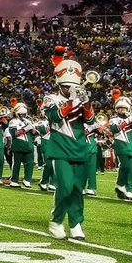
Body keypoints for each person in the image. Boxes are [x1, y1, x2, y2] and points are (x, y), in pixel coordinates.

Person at [42, 46, 94, 240]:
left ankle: (76, 223)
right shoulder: (50, 98)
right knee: (64, 187)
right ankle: (56, 220)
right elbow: (54, 116)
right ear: (58, 83)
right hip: (60, 149)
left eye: (71, 85)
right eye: (65, 85)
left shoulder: (81, 98)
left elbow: (89, 121)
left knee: (77, 189)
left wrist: (86, 104)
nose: (69, 88)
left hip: (80, 149)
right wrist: (72, 102)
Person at [109, 89, 132, 200]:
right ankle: (120, 185)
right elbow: (114, 129)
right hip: (121, 145)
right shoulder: (114, 119)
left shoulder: (131, 118)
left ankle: (129, 191)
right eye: (120, 108)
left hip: (131, 146)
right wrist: (127, 121)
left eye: (124, 108)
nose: (122, 110)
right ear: (116, 109)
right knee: (125, 167)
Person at [7, 100, 36, 188]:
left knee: (30, 163)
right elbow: (14, 133)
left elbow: (34, 133)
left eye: (24, 114)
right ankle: (14, 180)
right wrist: (26, 128)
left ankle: (27, 180)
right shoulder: (13, 121)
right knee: (16, 164)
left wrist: (33, 128)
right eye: (21, 114)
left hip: (29, 145)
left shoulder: (28, 120)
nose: (23, 116)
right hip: (18, 145)